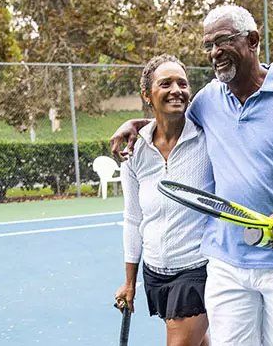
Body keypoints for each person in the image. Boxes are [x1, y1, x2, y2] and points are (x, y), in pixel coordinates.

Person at [110, 5, 273, 346]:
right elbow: (170, 118)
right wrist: (134, 125)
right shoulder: (207, 100)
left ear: (252, 40)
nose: (214, 52)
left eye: (222, 41)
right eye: (208, 45)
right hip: (226, 262)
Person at [114, 54, 213, 346]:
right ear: (147, 95)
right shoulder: (135, 151)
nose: (176, 90)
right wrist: (130, 281)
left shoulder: (209, 138)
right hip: (155, 272)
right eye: (165, 83)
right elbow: (133, 220)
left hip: (198, 268)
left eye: (182, 83)